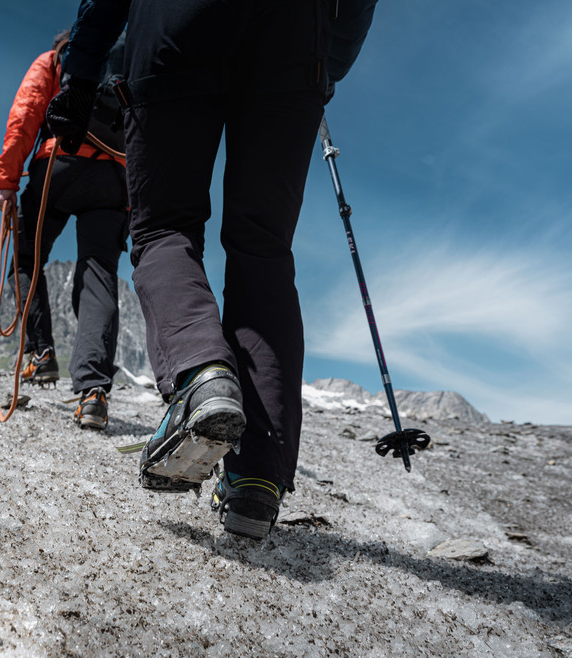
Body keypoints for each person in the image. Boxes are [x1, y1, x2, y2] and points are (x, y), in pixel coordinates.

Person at [47, 0, 378, 537]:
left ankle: (201, 375)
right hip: (297, 42)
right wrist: (324, 65)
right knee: (264, 250)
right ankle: (257, 478)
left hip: (176, 28)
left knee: (163, 227)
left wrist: (81, 72)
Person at [0, 29, 129, 430]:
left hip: (59, 165)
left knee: (24, 257)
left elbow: (26, 115)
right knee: (99, 273)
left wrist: (7, 183)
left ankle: (42, 354)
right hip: (113, 177)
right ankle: (93, 392)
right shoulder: (125, 65)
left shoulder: (54, 61)